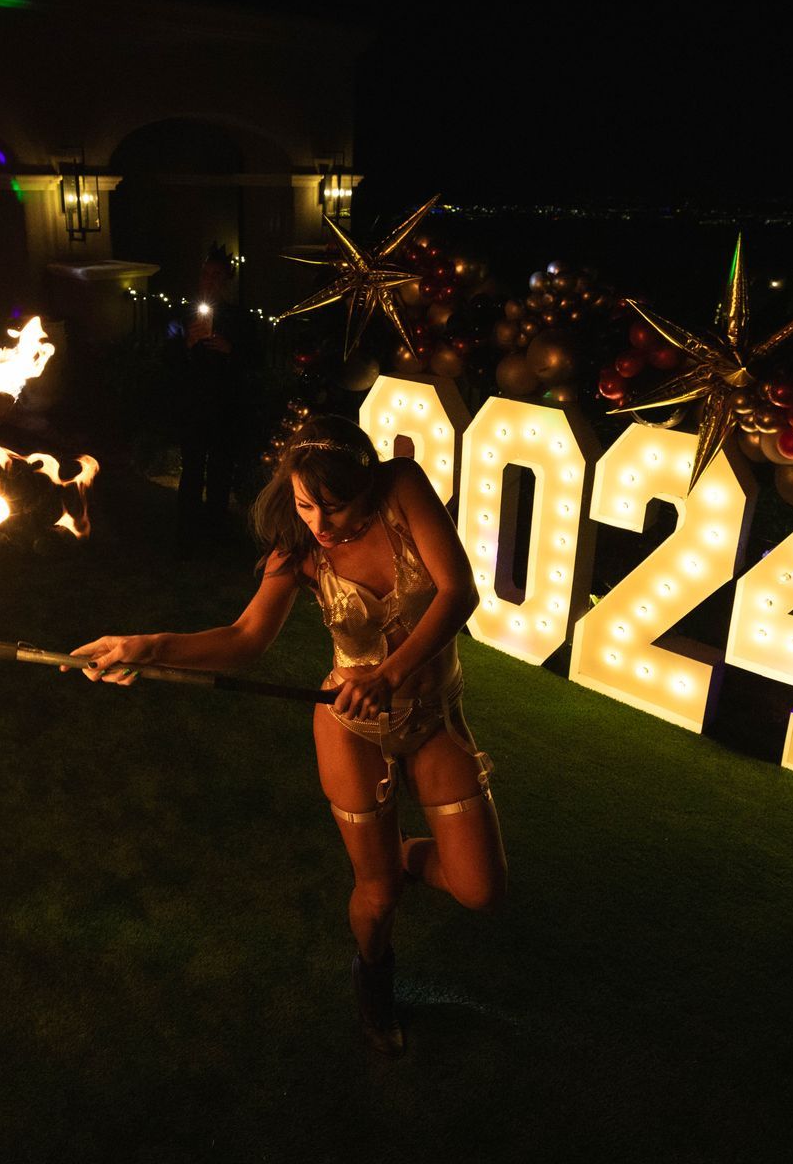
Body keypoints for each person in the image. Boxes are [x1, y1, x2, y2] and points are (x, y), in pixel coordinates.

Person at [70, 414, 506, 1056]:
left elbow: (457, 592)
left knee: (481, 890)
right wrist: (149, 644)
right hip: (349, 726)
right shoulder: (297, 550)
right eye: (306, 506)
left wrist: (388, 673)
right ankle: (373, 973)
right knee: (377, 897)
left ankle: (404, 854)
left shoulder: (404, 488)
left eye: (335, 507)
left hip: (431, 712)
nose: (321, 526)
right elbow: (245, 640)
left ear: (369, 486)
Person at [173, 246, 252, 550]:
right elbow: (170, 359)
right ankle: (187, 536)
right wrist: (189, 342)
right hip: (194, 407)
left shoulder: (238, 318)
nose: (210, 281)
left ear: (226, 280)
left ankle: (215, 534)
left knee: (220, 472)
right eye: (206, 275)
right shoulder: (184, 315)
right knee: (192, 471)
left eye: (217, 276)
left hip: (225, 407)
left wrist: (230, 350)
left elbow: (253, 359)